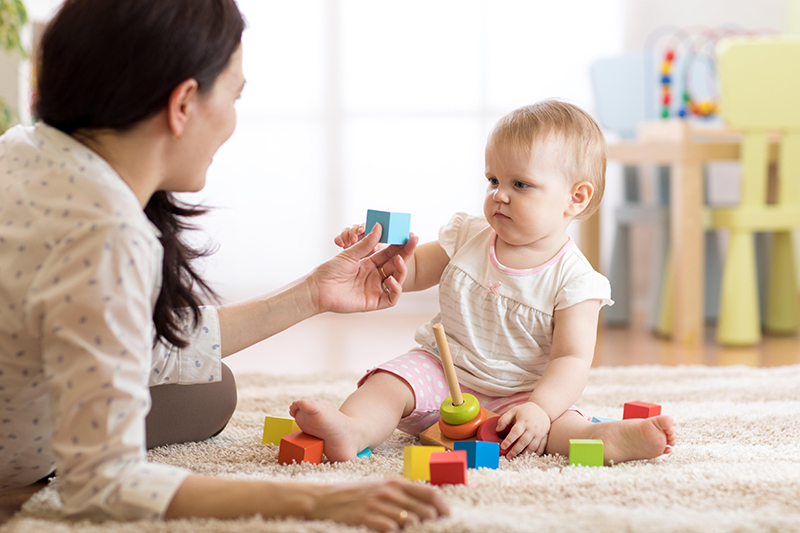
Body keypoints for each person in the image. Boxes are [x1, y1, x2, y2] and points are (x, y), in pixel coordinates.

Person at [0, 0, 449, 530]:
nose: (234, 122)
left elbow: (126, 332)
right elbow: (100, 484)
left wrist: (311, 294)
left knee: (213, 388)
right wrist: (318, 502)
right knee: (204, 396)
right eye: (235, 96)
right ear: (184, 103)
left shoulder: (22, 149)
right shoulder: (108, 236)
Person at [291, 100, 677, 464]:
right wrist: (377, 261)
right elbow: (416, 271)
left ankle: (608, 439)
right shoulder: (468, 235)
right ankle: (354, 429)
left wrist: (540, 409)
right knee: (389, 384)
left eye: (520, 185)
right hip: (444, 371)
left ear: (575, 198)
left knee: (561, 429)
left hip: (522, 394)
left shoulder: (577, 281)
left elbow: (570, 358)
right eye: (493, 180)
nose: (499, 196)